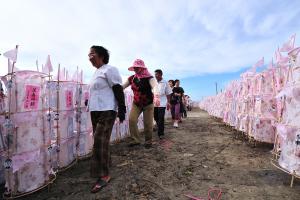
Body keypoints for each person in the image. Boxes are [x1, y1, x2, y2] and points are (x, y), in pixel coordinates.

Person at [87, 45, 126, 193]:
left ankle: (104, 175)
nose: (89, 57)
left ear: (101, 55)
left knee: (99, 140)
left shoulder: (110, 69)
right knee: (102, 140)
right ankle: (106, 163)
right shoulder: (96, 72)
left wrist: (122, 109)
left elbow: (117, 88)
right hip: (95, 110)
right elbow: (97, 91)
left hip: (107, 110)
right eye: (88, 55)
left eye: (92, 54)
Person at [123, 59, 156, 148]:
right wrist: (114, 89)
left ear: (142, 68)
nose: (136, 69)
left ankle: (148, 141)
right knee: (132, 120)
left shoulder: (149, 78)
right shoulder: (132, 78)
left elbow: (155, 87)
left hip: (148, 103)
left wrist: (156, 96)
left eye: (138, 67)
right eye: (135, 67)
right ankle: (135, 139)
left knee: (148, 123)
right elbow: (123, 86)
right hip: (136, 103)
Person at [153, 69, 172, 139]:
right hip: (154, 103)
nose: (155, 75)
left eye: (157, 74)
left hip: (162, 103)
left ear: (161, 74)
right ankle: (159, 126)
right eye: (155, 74)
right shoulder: (153, 82)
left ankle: (161, 133)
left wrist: (169, 102)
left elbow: (168, 93)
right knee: (155, 117)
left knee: (161, 118)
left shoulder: (165, 82)